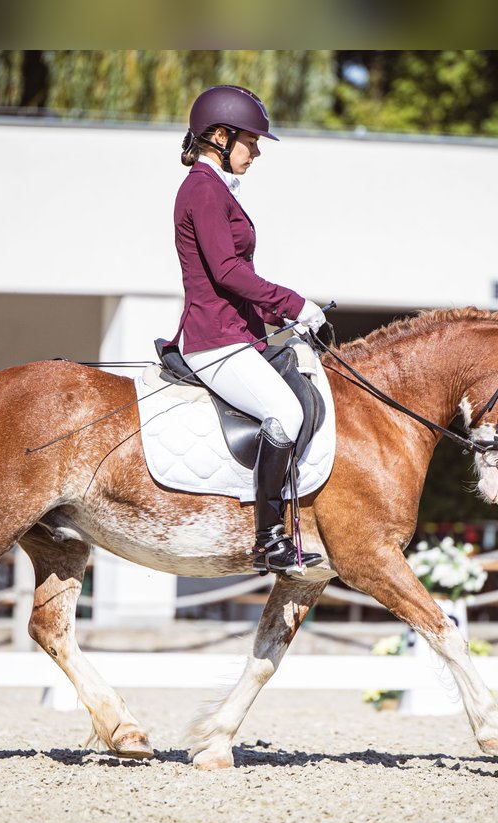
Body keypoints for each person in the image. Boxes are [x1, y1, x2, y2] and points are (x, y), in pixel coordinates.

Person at [171, 84, 326, 574]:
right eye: (251, 141)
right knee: (284, 411)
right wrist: (295, 303)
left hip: (238, 333)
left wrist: (279, 320)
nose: (257, 151)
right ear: (219, 136)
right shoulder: (203, 189)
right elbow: (228, 273)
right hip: (214, 340)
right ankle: (269, 539)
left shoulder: (214, 189)